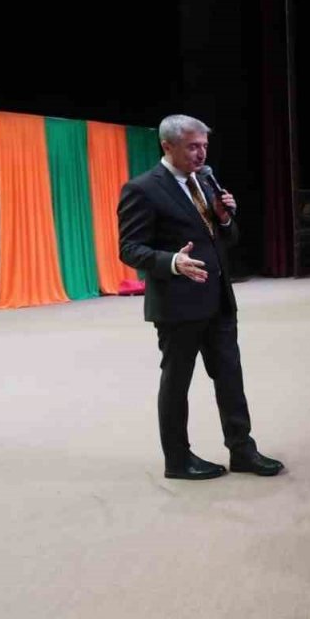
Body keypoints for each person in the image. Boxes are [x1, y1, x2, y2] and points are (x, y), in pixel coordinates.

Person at [117, 114, 282, 480]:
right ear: (167, 146)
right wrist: (173, 261)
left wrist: (224, 218)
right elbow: (129, 248)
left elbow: (227, 238)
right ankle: (177, 459)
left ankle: (242, 450)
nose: (201, 153)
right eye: (193, 146)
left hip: (219, 299)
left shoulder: (205, 181)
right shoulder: (142, 189)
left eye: (204, 145)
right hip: (178, 305)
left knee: (230, 377)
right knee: (177, 383)